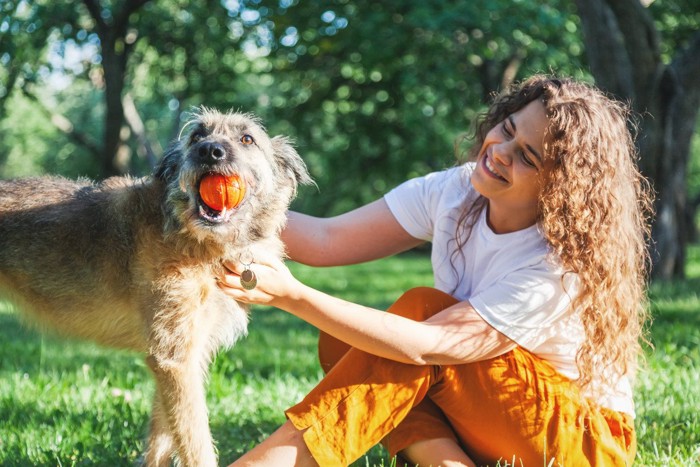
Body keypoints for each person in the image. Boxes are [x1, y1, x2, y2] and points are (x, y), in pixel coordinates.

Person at [219, 75, 653, 466]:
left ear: (560, 188)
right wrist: (221, 212)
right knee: (343, 340)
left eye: (527, 157)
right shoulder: (458, 189)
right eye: (507, 129)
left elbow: (433, 343)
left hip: (582, 439)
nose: (499, 152)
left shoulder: (557, 265)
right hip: (494, 411)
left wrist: (291, 295)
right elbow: (327, 239)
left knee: (419, 312)